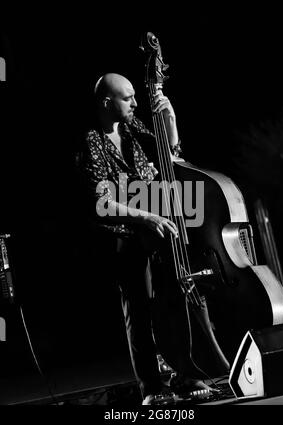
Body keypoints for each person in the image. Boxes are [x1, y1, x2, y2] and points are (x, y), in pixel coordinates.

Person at [80, 73, 213, 405]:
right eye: (128, 98)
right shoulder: (90, 140)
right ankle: (151, 387)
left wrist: (170, 118)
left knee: (168, 301)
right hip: (122, 235)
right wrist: (147, 216)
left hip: (153, 230)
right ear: (106, 102)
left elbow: (170, 155)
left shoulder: (131, 126)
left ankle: (184, 369)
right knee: (138, 310)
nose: (135, 103)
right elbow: (101, 202)